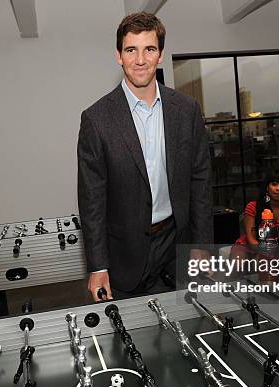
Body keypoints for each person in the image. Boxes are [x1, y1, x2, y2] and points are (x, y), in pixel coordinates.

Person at [77, 12, 213, 301]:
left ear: (160, 55)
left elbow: (200, 181)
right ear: (118, 56)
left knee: (185, 333)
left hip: (178, 246)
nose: (140, 59)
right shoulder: (96, 120)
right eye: (131, 50)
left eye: (149, 49)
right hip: (124, 255)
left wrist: (202, 246)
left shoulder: (187, 110)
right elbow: (92, 201)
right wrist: (98, 266)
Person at [234, 176, 279, 250]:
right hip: (250, 246)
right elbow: (251, 239)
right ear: (267, 187)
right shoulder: (253, 207)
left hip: (278, 246)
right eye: (274, 184)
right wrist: (266, 253)